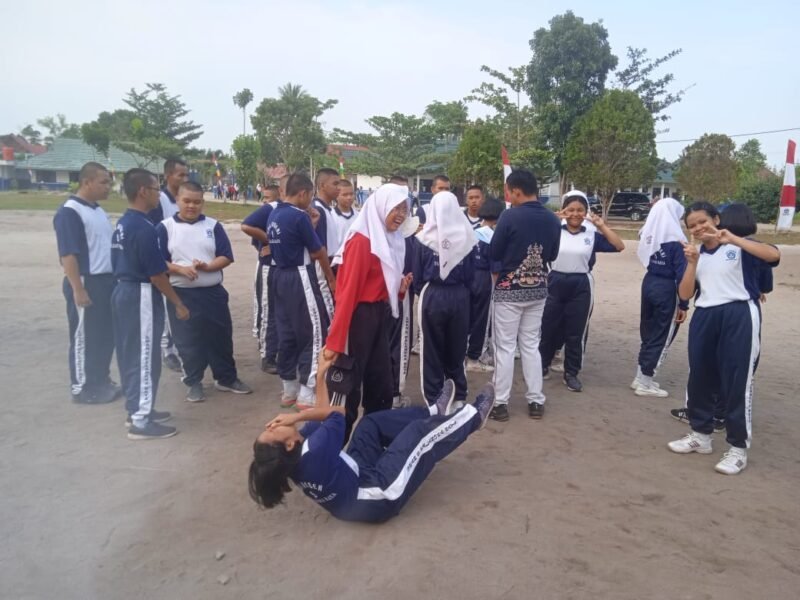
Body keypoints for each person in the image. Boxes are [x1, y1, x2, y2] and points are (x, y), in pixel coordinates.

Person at [248, 351, 496, 523]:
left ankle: (433, 412)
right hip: (378, 493)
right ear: (288, 444)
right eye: (272, 430)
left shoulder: (295, 456)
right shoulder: (315, 451)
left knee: (369, 425)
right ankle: (474, 417)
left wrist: (321, 375)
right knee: (419, 435)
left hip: (355, 478)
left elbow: (321, 416)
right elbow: (336, 413)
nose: (274, 423)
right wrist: (296, 417)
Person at [667, 202, 780, 475]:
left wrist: (733, 239)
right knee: (700, 377)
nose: (698, 228)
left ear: (716, 219)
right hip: (705, 315)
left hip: (739, 313)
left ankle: (738, 449)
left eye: (702, 221)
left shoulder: (739, 245)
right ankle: (701, 435)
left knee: (736, 380)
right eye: (692, 225)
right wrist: (692, 263)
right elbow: (685, 294)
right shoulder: (696, 254)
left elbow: (774, 255)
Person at [326, 184, 412, 441]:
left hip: (377, 317)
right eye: (396, 208)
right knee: (347, 389)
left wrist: (399, 289)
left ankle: (370, 443)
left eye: (404, 209)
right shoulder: (362, 241)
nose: (401, 214)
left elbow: (380, 283)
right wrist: (336, 342)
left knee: (381, 385)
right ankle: (333, 448)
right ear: (381, 207)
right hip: (357, 319)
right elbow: (347, 293)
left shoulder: (388, 238)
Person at [111, 169, 190, 440]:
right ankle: (141, 421)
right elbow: (156, 274)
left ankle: (137, 408)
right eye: (156, 189)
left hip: (124, 290)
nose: (160, 195)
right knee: (144, 355)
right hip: (140, 293)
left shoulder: (124, 223)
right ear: (143, 191)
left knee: (132, 352)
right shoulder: (144, 228)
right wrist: (178, 303)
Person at [156, 182, 251, 402]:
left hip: (213, 293)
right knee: (188, 341)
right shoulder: (165, 227)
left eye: (197, 202)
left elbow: (225, 256)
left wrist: (207, 267)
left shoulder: (213, 226)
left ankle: (226, 378)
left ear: (203, 203)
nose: (192, 206)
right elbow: (158, 261)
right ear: (178, 201)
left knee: (221, 337)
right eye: (187, 201)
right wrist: (180, 269)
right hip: (182, 295)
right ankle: (193, 382)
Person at [489, 169, 561, 422]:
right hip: (538, 289)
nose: (508, 196)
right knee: (531, 345)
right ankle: (535, 401)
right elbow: (552, 255)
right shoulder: (553, 219)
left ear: (516, 191)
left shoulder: (509, 216)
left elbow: (494, 252)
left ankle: (500, 403)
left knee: (505, 347)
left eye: (508, 191)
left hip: (509, 290)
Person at [539, 191, 625, 393]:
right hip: (554, 281)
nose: (575, 214)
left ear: (586, 212)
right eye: (570, 210)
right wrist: (553, 220)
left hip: (581, 285)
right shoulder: (554, 231)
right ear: (563, 211)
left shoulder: (590, 235)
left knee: (575, 331)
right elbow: (533, 240)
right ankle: (542, 364)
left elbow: (619, 245)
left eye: (580, 210)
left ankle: (571, 373)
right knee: (548, 327)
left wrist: (601, 225)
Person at [267, 173, 336, 410]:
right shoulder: (298, 216)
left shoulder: (274, 213)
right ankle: (308, 392)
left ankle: (289, 389)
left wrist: (311, 224)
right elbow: (318, 251)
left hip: (279, 276)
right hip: (299, 276)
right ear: (303, 193)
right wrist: (330, 278)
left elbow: (294, 240)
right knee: (314, 332)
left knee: (287, 332)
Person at [53, 162, 120, 405]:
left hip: (105, 281)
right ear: (87, 182)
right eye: (104, 182)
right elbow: (68, 255)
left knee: (104, 335)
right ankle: (83, 388)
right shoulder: (70, 212)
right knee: (84, 337)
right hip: (85, 281)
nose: (108, 187)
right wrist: (78, 289)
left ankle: (100, 380)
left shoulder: (98, 210)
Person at [414, 191, 476, 412]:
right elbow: (470, 275)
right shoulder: (468, 238)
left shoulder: (423, 239)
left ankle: (435, 399)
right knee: (457, 348)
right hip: (460, 296)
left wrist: (427, 290)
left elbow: (417, 276)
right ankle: (458, 397)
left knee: (431, 349)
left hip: (432, 295)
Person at [632, 197, 689, 398]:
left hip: (649, 283)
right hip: (667, 288)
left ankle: (640, 376)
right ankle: (646, 381)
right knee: (662, 335)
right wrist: (684, 304)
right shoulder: (678, 243)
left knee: (648, 332)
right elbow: (682, 275)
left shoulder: (649, 235)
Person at [148, 158, 190, 374]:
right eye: (180, 175)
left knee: (180, 307)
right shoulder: (161, 201)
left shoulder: (182, 201)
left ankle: (181, 346)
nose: (185, 178)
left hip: (182, 264)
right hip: (165, 264)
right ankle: (168, 351)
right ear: (168, 176)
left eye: (187, 174)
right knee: (167, 307)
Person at [241, 187, 278, 372]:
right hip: (268, 267)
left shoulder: (289, 211)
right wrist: (272, 242)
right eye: (263, 197)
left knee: (279, 312)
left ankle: (273, 348)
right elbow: (246, 226)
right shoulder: (268, 210)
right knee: (267, 310)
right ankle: (266, 354)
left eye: (268, 197)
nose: (264, 201)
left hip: (283, 269)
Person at [465, 197, 505, 373]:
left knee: (469, 317)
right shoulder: (493, 236)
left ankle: (467, 352)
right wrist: (496, 289)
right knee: (482, 319)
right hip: (484, 279)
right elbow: (495, 268)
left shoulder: (472, 231)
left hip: (469, 277)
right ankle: (475, 357)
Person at [312, 168, 341, 318]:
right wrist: (331, 278)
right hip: (324, 267)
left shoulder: (327, 209)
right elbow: (320, 248)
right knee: (328, 312)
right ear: (322, 186)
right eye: (335, 184)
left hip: (331, 264)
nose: (339, 188)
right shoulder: (318, 210)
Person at [332, 179, 357, 248]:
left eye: (351, 194)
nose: (349, 197)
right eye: (345, 195)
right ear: (336, 196)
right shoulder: (331, 216)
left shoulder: (359, 216)